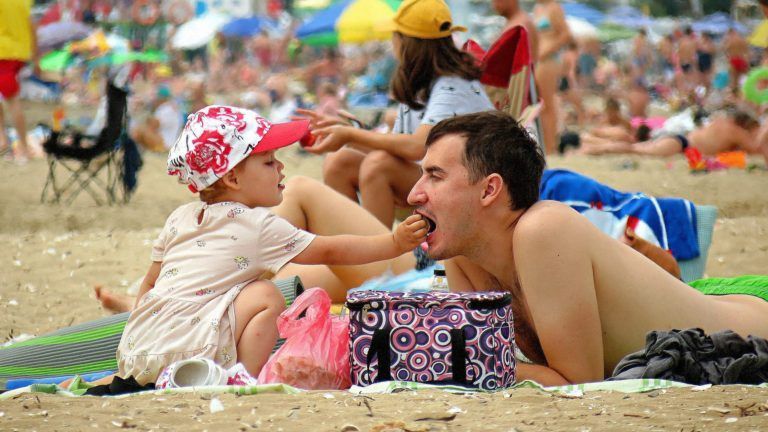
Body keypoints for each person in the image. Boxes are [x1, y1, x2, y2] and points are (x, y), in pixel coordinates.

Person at [407, 111, 768, 385]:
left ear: (489, 190)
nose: (414, 194)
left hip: (750, 334)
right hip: (714, 306)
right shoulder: (463, 255)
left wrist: (441, 356)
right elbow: (482, 357)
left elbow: (577, 382)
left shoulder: (543, 229)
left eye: (435, 175)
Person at [117, 105, 427, 384]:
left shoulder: (180, 217)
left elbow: (150, 281)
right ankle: (243, 378)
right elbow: (332, 250)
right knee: (265, 294)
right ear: (233, 180)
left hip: (136, 353)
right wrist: (395, 242)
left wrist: (136, 332)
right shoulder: (258, 226)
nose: (281, 168)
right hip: (195, 355)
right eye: (268, 162)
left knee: (250, 284)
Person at [303, 0, 493, 227]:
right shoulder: (421, 82)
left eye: (395, 36)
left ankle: (378, 257)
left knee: (378, 165)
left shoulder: (454, 84)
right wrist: (345, 132)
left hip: (467, 185)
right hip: (437, 175)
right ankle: (352, 246)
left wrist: (350, 136)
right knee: (339, 161)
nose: (392, 43)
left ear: (408, 43)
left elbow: (416, 146)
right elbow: (399, 148)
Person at [579, 109, 767, 165]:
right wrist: (763, 133)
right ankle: (595, 148)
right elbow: (756, 150)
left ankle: (593, 143)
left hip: (678, 139)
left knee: (638, 147)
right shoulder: (736, 132)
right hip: (680, 144)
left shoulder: (720, 122)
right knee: (635, 149)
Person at [0, 0, 38, 163]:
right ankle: (3, 141)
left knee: (12, 101)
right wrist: (35, 56)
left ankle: (23, 147)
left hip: (3, 53)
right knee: (8, 98)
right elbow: (32, 27)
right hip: (19, 53)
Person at [532, 0, 571, 155]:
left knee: (547, 104)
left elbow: (565, 35)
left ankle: (550, 146)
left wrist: (546, 51)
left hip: (548, 60)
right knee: (541, 105)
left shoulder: (554, 7)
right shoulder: (539, 8)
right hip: (540, 59)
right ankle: (546, 144)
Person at [130, 85, 183, 152]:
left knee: (139, 130)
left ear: (162, 98)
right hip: (166, 142)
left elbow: (153, 125)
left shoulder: (167, 108)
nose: (155, 99)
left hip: (165, 144)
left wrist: (143, 110)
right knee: (139, 129)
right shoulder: (168, 107)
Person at [723, 28, 750, 94]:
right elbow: (747, 52)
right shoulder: (742, 39)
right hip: (742, 59)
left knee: (733, 80)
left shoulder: (729, 40)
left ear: (730, 33)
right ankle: (742, 94)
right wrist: (747, 62)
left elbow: (725, 50)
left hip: (733, 60)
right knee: (744, 78)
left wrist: (728, 58)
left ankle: (734, 95)